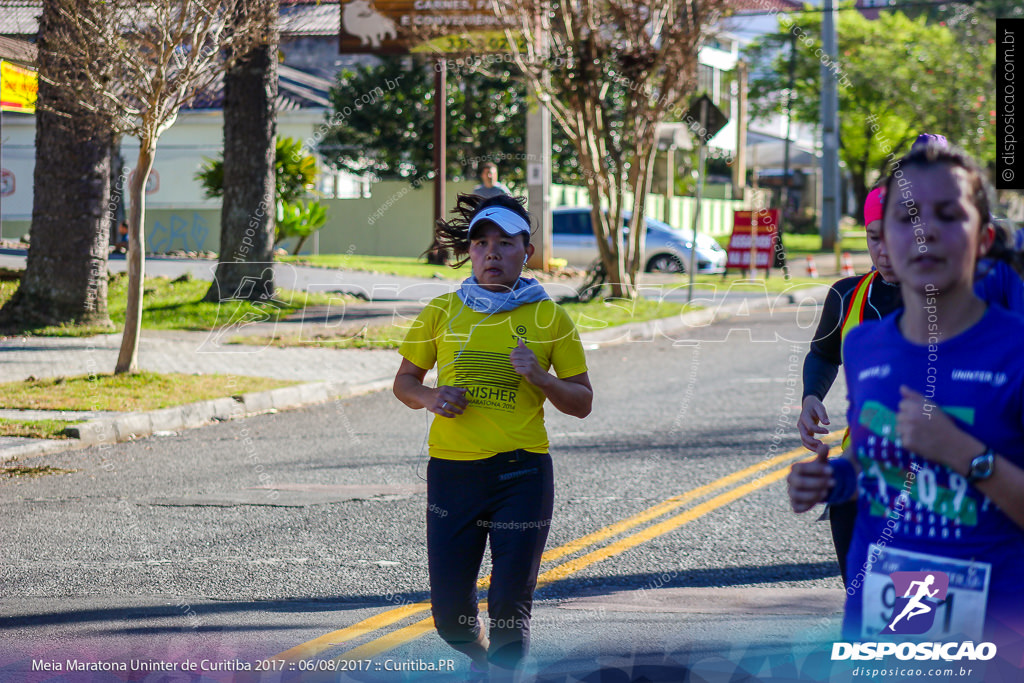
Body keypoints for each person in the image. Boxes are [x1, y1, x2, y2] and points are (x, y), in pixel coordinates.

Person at [788, 143, 1024, 642]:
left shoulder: (1015, 351)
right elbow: (882, 464)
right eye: (906, 217)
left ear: (984, 239)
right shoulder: (867, 347)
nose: (924, 232)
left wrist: (963, 452)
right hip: (893, 618)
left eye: (948, 215)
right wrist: (838, 479)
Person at [393, 193, 593, 680]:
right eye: (481, 243)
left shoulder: (550, 318)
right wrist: (432, 398)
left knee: (509, 605)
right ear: (469, 252)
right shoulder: (441, 311)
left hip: (521, 473)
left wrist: (543, 380)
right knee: (450, 620)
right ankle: (483, 664)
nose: (492, 253)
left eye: (505, 243)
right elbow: (404, 383)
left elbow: (583, 402)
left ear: (528, 249)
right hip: (453, 475)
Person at [798, 185, 901, 584]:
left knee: (922, 612)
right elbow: (824, 354)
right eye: (875, 238)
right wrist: (811, 396)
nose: (885, 251)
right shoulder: (847, 296)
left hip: (941, 474)